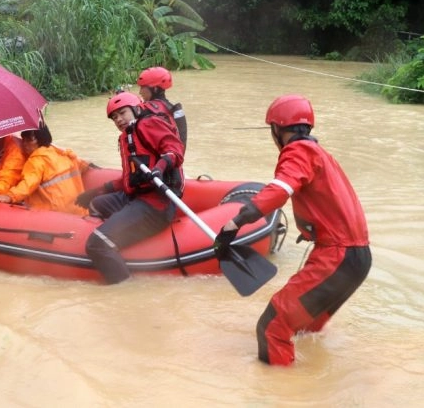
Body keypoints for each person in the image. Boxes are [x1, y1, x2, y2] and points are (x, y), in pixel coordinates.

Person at [213, 94, 371, 366]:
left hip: (336, 257)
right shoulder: (320, 154)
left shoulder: (298, 151)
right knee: (304, 329)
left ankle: (278, 395)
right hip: (358, 258)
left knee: (271, 328)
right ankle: (308, 388)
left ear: (276, 129)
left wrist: (236, 221)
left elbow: (280, 190)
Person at [75, 92, 185, 284]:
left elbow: (174, 150)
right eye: (114, 117)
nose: (119, 119)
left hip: (154, 206)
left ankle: (124, 287)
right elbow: (129, 178)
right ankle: (119, 234)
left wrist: (159, 168)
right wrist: (98, 190)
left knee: (97, 244)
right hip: (136, 198)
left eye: (122, 113)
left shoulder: (149, 124)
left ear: (135, 109)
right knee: (97, 204)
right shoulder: (127, 137)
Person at [0, 123, 87, 215]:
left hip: (54, 213)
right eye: (24, 140)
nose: (24, 144)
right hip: (78, 210)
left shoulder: (36, 160)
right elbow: (83, 165)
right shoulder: (61, 153)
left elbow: (28, 184)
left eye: (29, 140)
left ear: (40, 140)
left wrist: (9, 197)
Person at [136, 66, 187, 150]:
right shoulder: (173, 108)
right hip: (173, 159)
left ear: (155, 89)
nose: (140, 92)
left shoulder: (149, 111)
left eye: (142, 87)